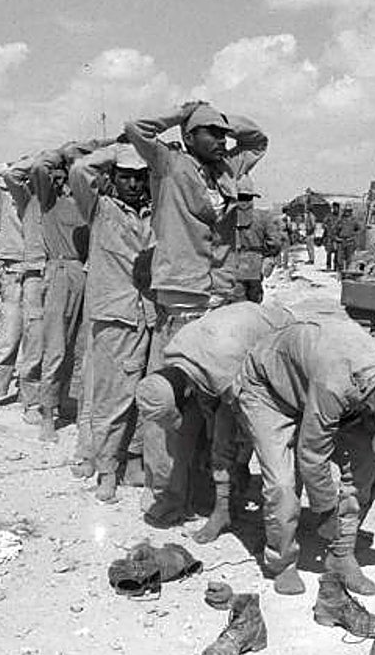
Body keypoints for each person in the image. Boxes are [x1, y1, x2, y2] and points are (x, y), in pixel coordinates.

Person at [124, 100, 268, 526]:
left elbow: (258, 141)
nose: (221, 140)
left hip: (219, 301)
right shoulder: (169, 164)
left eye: (223, 135)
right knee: (170, 409)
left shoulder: (227, 168)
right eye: (211, 133)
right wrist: (185, 112)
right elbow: (136, 127)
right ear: (189, 137)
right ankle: (167, 495)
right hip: (182, 303)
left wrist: (220, 118)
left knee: (223, 407)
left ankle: (216, 492)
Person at [230, 317, 375, 595]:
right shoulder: (334, 384)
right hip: (269, 389)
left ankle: (341, 555)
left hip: (314, 383)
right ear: (372, 408)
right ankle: (282, 562)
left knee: (369, 464)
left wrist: (344, 521)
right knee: (282, 484)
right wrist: (325, 510)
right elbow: (312, 453)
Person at [137, 301, 299, 544]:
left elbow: (243, 421)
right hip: (238, 340)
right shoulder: (177, 353)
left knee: (269, 443)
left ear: (186, 393)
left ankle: (279, 524)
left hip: (281, 338)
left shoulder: (223, 368)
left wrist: (241, 462)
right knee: (221, 432)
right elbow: (208, 402)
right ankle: (223, 508)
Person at [66, 142, 155, 502]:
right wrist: (120, 149)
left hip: (150, 313)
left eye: (139, 177)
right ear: (113, 178)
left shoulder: (155, 212)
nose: (133, 184)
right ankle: (106, 471)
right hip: (115, 316)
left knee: (144, 396)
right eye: (125, 177)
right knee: (109, 399)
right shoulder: (100, 208)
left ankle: (133, 463)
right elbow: (79, 171)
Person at [6, 141, 98, 442]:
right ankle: (47, 414)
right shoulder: (47, 199)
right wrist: (61, 153)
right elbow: (37, 168)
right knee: (55, 347)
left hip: (86, 272)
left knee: (79, 347)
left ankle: (66, 403)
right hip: (58, 272)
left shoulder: (86, 199)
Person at [0, 162, 45, 421]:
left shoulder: (40, 200)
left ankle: (31, 401)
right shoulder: (3, 198)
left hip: (36, 272)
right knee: (8, 336)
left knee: (34, 339)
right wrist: (10, 166)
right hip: (12, 272)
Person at [233, 177, 276, 303]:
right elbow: (274, 242)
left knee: (237, 304)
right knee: (254, 304)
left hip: (234, 265)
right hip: (255, 265)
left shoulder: (227, 217)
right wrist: (267, 255)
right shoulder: (262, 217)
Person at [334, 206, 361, 273]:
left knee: (349, 258)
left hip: (350, 240)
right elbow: (335, 230)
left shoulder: (354, 220)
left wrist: (354, 235)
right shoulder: (340, 220)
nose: (347, 213)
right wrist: (337, 238)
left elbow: (359, 229)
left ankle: (348, 271)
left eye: (348, 211)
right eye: (346, 211)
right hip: (341, 240)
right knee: (340, 258)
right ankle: (340, 271)